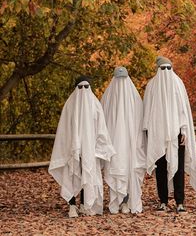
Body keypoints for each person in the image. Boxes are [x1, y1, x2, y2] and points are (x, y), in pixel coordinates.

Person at [48, 75, 115, 218]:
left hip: (90, 149)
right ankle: (72, 205)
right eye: (80, 87)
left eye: (86, 87)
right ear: (76, 88)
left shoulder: (95, 104)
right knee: (72, 174)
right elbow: (64, 128)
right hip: (72, 148)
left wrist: (100, 148)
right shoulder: (70, 104)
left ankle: (85, 204)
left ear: (89, 88)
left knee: (87, 174)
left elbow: (101, 128)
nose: (83, 90)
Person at [143, 56, 196, 213]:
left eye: (168, 68)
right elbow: (147, 109)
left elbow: (183, 110)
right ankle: (162, 200)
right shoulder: (152, 85)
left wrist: (184, 131)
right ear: (158, 69)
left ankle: (180, 201)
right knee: (161, 168)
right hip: (157, 135)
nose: (166, 72)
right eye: (163, 69)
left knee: (178, 168)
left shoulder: (178, 83)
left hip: (176, 135)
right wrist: (148, 132)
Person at [101, 66, 146, 214]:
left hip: (131, 142)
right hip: (113, 143)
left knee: (129, 169)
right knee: (116, 168)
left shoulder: (134, 98)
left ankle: (126, 201)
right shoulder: (107, 97)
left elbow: (140, 120)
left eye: (123, 79)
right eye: (118, 79)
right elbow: (102, 121)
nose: (120, 82)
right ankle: (116, 200)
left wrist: (138, 141)